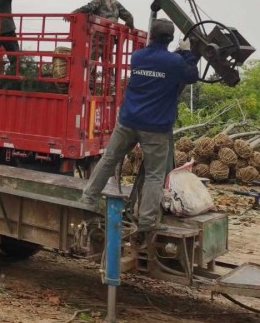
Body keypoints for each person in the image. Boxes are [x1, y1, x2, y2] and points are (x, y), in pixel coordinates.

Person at [80, 19, 199, 237]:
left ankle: (88, 198)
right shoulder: (175, 62)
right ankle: (147, 221)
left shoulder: (138, 57)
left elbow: (160, 61)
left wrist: (177, 55)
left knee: (109, 160)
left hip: (128, 121)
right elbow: (192, 75)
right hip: (156, 128)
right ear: (171, 39)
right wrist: (187, 53)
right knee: (155, 175)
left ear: (151, 36)